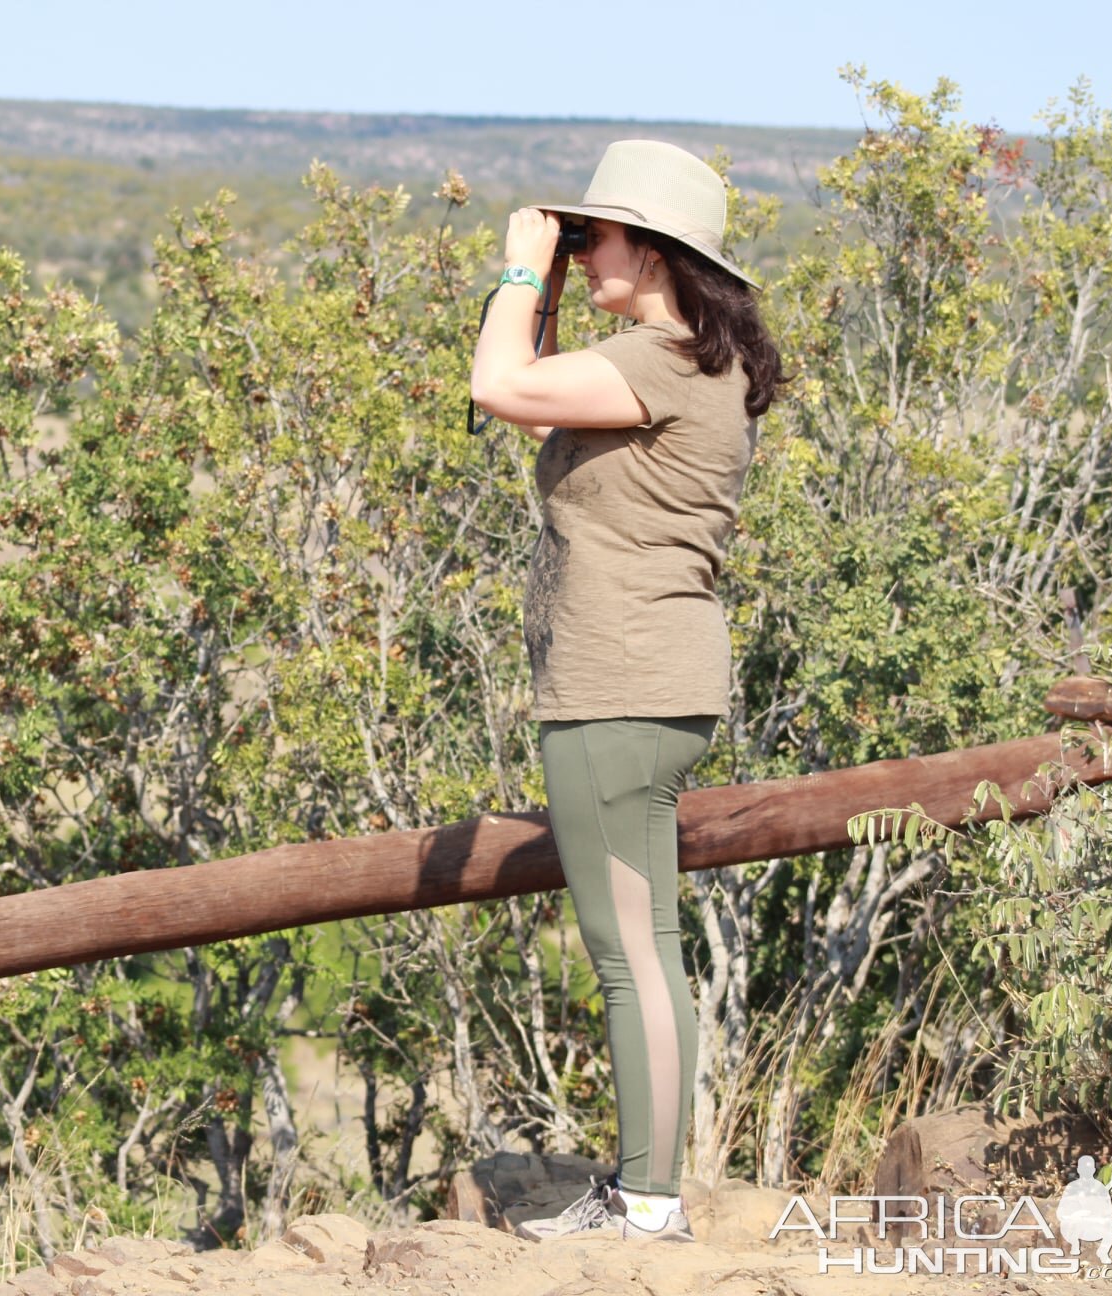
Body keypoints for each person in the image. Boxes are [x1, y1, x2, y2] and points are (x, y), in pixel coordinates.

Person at [467, 139, 785, 1243]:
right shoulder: (696, 360)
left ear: (651, 249)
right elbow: (540, 392)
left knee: (627, 956)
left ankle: (645, 1205)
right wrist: (554, 287)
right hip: (660, 682)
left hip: (615, 689)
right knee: (646, 949)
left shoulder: (661, 360)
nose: (577, 244)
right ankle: (647, 1191)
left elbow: (497, 383)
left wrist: (518, 273)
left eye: (592, 232)